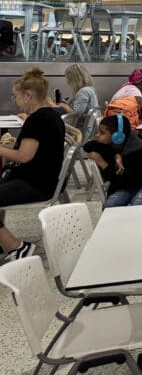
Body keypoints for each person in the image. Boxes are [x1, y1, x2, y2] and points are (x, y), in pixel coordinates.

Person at [0, 68, 65, 260]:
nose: (16, 102)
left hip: (35, 184)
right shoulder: (51, 116)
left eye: (16, 97)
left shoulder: (38, 120)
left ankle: (17, 246)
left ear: (28, 95)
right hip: (43, 180)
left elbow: (23, 156)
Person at [85, 114, 142, 208]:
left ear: (117, 136)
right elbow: (87, 146)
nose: (97, 135)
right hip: (128, 184)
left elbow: (123, 181)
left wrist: (102, 163)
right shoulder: (112, 145)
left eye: (102, 133)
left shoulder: (138, 149)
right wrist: (116, 154)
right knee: (109, 206)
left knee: (138, 203)